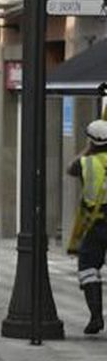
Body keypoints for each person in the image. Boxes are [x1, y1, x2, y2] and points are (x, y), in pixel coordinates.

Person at [66, 120, 107, 334]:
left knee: (88, 268)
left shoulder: (86, 163)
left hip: (97, 224)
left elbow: (70, 169)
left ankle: (96, 317)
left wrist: (88, 148)